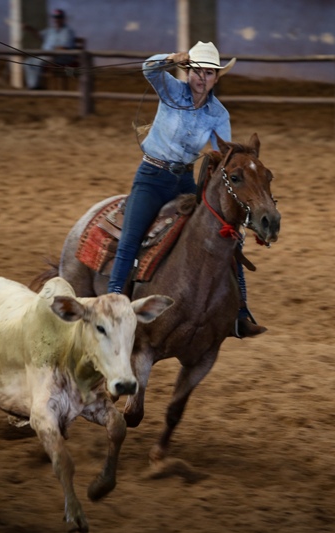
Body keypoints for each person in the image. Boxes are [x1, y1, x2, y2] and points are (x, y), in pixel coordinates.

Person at [107, 41, 265, 339]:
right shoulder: (171, 90)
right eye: (196, 71)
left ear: (216, 78)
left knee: (229, 237)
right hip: (152, 176)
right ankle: (114, 300)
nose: (201, 78)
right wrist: (171, 58)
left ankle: (240, 313)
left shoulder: (218, 114)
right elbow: (148, 69)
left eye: (208, 73)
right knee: (131, 237)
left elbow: (223, 154)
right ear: (188, 71)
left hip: (185, 180)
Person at [22, 9, 77, 90]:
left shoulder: (67, 31)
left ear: (63, 18)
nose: (57, 19)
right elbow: (39, 35)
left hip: (61, 58)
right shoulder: (50, 30)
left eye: (59, 17)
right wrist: (30, 29)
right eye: (55, 17)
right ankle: (33, 85)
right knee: (27, 62)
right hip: (47, 56)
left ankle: (34, 87)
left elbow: (64, 47)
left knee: (38, 61)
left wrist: (51, 52)